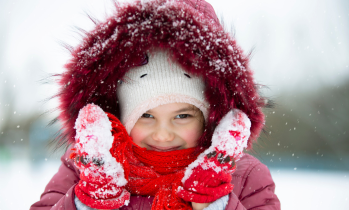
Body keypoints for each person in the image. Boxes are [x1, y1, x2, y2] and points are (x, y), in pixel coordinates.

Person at [30, 0, 280, 209]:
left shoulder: (245, 177)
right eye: (146, 115)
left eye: (182, 116)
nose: (162, 134)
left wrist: (215, 201)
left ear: (211, 118)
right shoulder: (85, 166)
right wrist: (86, 201)